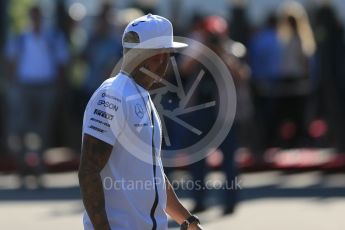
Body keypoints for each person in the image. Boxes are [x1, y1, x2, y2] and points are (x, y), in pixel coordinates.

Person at [78, 14, 203, 230]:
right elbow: (89, 170)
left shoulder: (141, 96)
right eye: (165, 54)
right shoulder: (113, 94)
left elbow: (153, 175)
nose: (167, 62)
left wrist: (188, 221)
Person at [4, 6, 69, 185]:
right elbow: (10, 63)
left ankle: (39, 168)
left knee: (43, 130)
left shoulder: (54, 37)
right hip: (23, 87)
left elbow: (62, 64)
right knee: (20, 129)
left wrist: (58, 88)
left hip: (46, 87)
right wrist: (13, 86)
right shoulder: (19, 38)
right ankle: (23, 168)